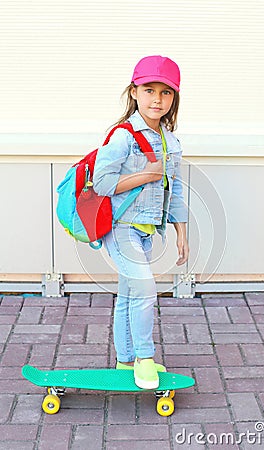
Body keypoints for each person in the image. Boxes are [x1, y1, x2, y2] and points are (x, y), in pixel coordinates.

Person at [93, 55, 189, 389]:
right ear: (134, 92)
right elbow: (102, 184)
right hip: (121, 229)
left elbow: (173, 189)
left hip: (146, 232)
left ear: (173, 98)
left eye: (166, 93)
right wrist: (146, 174)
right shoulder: (123, 136)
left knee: (130, 295)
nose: (157, 99)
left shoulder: (170, 140)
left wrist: (181, 233)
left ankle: (124, 361)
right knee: (146, 289)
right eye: (149, 90)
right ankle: (144, 358)